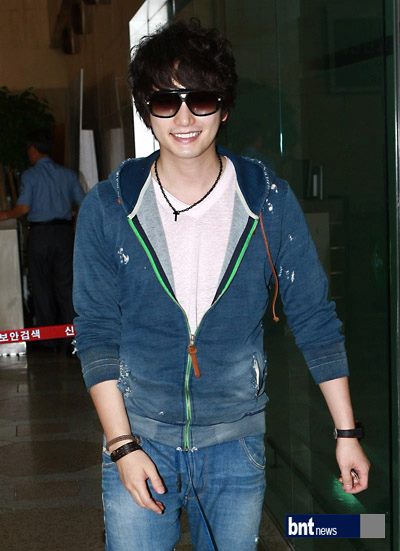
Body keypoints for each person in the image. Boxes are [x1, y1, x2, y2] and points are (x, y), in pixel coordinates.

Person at [73, 19, 370, 551]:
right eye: (166, 101)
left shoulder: (267, 202)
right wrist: (121, 445)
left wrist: (346, 433)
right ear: (147, 110)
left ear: (224, 107)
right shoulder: (111, 206)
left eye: (201, 98)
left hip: (236, 444)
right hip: (140, 435)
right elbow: (96, 330)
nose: (185, 117)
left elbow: (314, 318)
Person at [0, 130, 85, 335]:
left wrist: (5, 214)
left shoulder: (30, 175)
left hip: (40, 235)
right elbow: (83, 203)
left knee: (41, 286)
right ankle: (72, 335)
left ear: (34, 150)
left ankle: (47, 338)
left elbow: (23, 208)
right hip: (64, 234)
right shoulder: (68, 174)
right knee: (66, 285)